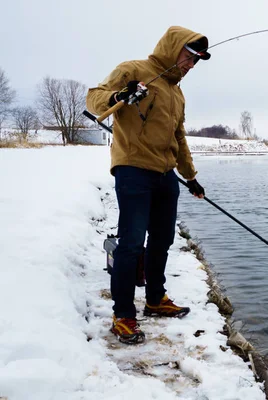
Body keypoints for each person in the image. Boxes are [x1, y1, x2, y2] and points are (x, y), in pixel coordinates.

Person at [86, 26, 210, 344]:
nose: (191, 65)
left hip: (165, 175)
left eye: (197, 61)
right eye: (189, 56)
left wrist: (191, 177)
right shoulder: (134, 70)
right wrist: (120, 96)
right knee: (130, 244)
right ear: (173, 48)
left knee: (163, 240)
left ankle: (155, 299)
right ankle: (124, 315)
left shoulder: (177, 93)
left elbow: (178, 139)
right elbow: (95, 98)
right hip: (133, 171)